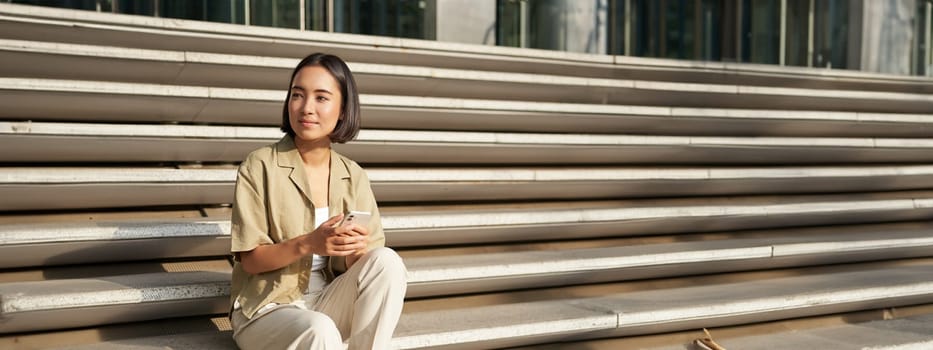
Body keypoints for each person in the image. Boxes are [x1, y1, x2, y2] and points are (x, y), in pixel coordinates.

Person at [228, 52, 408, 350]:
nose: (306, 108)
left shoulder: (353, 175)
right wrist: (310, 243)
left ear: (342, 109)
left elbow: (363, 265)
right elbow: (251, 261)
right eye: (298, 95)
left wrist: (354, 251)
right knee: (319, 330)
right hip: (267, 310)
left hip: (326, 302)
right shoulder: (259, 165)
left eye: (321, 98)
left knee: (386, 262)